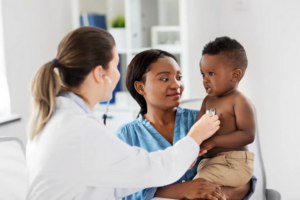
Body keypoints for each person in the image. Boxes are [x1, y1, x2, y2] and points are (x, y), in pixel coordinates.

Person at [25, 26, 222, 200]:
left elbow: (116, 183)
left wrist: (178, 163)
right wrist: (194, 137)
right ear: (99, 73)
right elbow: (154, 169)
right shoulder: (80, 129)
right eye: (116, 65)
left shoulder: (58, 120)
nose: (118, 74)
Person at [116, 49, 257, 200]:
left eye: (179, 77)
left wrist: (215, 195)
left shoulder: (207, 121)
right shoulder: (126, 136)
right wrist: (181, 190)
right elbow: (124, 193)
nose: (176, 85)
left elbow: (241, 173)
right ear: (140, 87)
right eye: (164, 79)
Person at [194, 37, 255, 188]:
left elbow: (248, 135)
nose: (205, 79)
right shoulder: (208, 101)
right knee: (195, 187)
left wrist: (213, 142)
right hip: (209, 163)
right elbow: (197, 130)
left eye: (211, 73)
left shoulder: (239, 101)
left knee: (197, 187)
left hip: (234, 163)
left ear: (235, 75)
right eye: (203, 74)